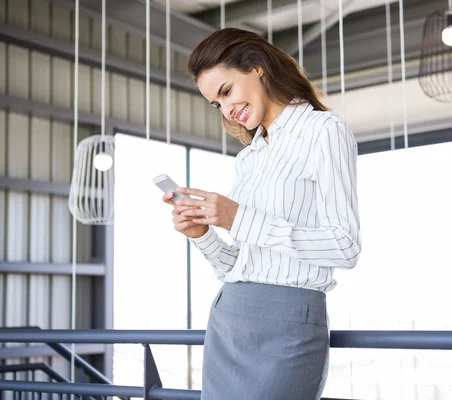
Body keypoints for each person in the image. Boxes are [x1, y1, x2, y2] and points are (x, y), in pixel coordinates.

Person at [162, 28, 361, 400]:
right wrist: (202, 236)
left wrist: (239, 219)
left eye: (226, 92)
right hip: (228, 319)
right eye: (216, 104)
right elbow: (239, 267)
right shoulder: (249, 158)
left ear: (257, 68)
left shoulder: (324, 131)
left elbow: (344, 247)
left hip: (290, 325)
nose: (226, 109)